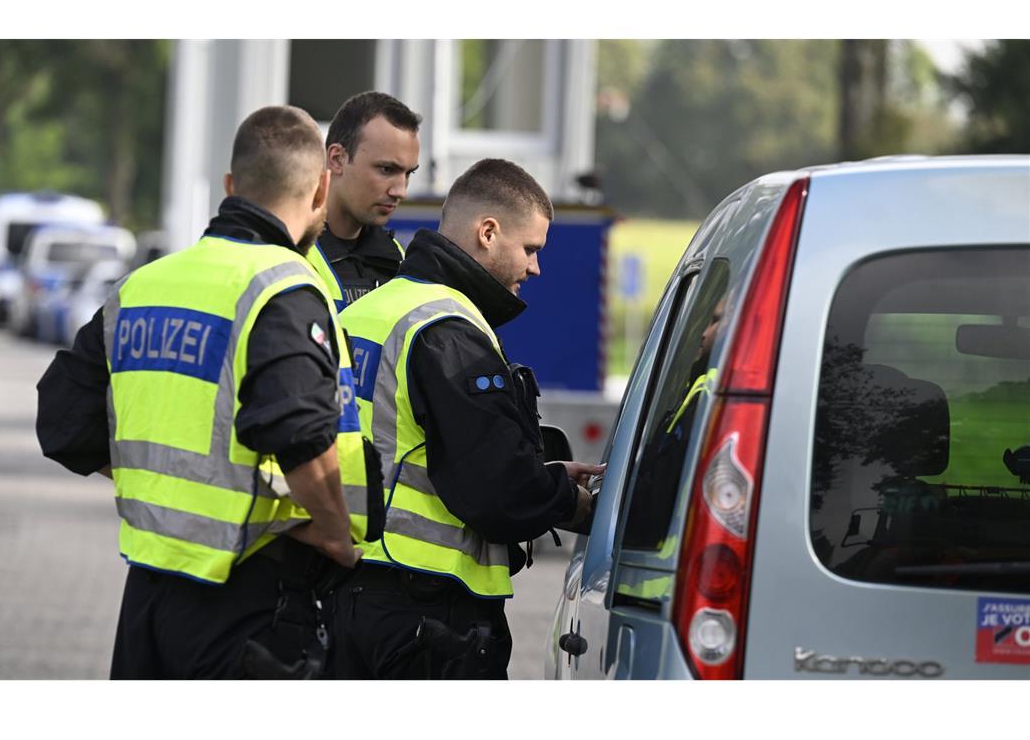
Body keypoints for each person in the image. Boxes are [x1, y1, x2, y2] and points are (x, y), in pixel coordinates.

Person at [35, 105, 376, 679]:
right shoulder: (284, 288)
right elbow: (298, 433)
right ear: (322, 188)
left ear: (230, 187)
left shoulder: (144, 284)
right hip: (248, 597)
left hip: (147, 594)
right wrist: (338, 537)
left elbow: (64, 421)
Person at [330, 158, 605, 679]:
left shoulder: (367, 311)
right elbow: (497, 489)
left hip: (346, 595)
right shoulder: (449, 331)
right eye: (530, 249)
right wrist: (570, 500)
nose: (535, 268)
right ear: (487, 232)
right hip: (428, 614)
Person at [306, 91, 421, 311]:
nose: (400, 191)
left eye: (408, 174)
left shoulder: (398, 259)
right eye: (386, 169)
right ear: (337, 159)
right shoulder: (286, 251)